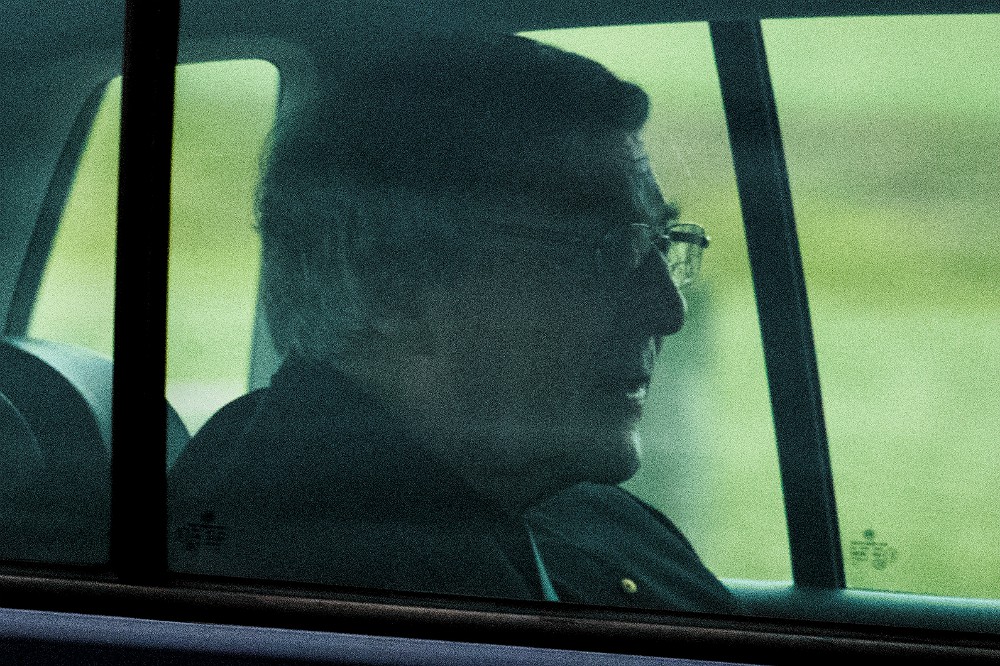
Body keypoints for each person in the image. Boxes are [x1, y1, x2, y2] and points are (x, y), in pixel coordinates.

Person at [168, 33, 730, 612]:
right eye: (607, 251)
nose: (668, 311)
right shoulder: (303, 571)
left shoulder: (564, 500)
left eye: (663, 244)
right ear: (392, 287)